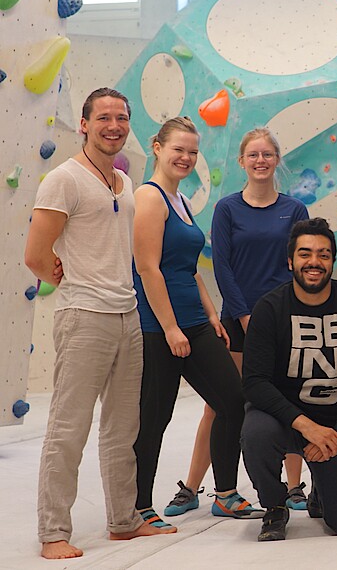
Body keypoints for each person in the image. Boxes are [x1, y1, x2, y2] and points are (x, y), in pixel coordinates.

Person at [25, 88, 176, 559]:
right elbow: (34, 253)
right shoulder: (63, 180)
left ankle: (123, 521)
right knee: (69, 429)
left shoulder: (124, 183)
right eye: (104, 117)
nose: (114, 125)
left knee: (122, 427)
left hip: (127, 314)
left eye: (122, 118)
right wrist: (57, 269)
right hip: (84, 316)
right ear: (85, 124)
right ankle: (53, 532)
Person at [165, 128, 309, 517]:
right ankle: (192, 487)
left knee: (290, 399)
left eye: (267, 154)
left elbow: (302, 266)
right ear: (241, 162)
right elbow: (223, 267)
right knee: (221, 403)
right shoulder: (227, 208)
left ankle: (294, 486)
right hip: (239, 319)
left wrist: (284, 316)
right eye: (253, 155)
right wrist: (244, 315)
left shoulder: (294, 210)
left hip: (285, 320)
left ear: (277, 160)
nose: (260, 161)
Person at [131, 116, 257, 529]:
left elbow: (189, 268)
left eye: (192, 152)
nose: (185, 157)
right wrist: (169, 328)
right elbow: (148, 269)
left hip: (193, 323)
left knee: (232, 401)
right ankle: (140, 507)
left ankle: (224, 493)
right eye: (178, 149)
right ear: (157, 148)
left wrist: (208, 313)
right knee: (155, 416)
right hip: (159, 327)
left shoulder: (181, 200)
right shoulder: (149, 198)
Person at [241, 218, 337, 541]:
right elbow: (254, 382)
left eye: (324, 254)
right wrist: (306, 426)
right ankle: (275, 506)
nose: (314, 262)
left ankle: (323, 490)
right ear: (290, 260)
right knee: (256, 432)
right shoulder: (269, 309)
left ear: (333, 260)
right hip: (285, 420)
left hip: (336, 425)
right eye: (305, 254)